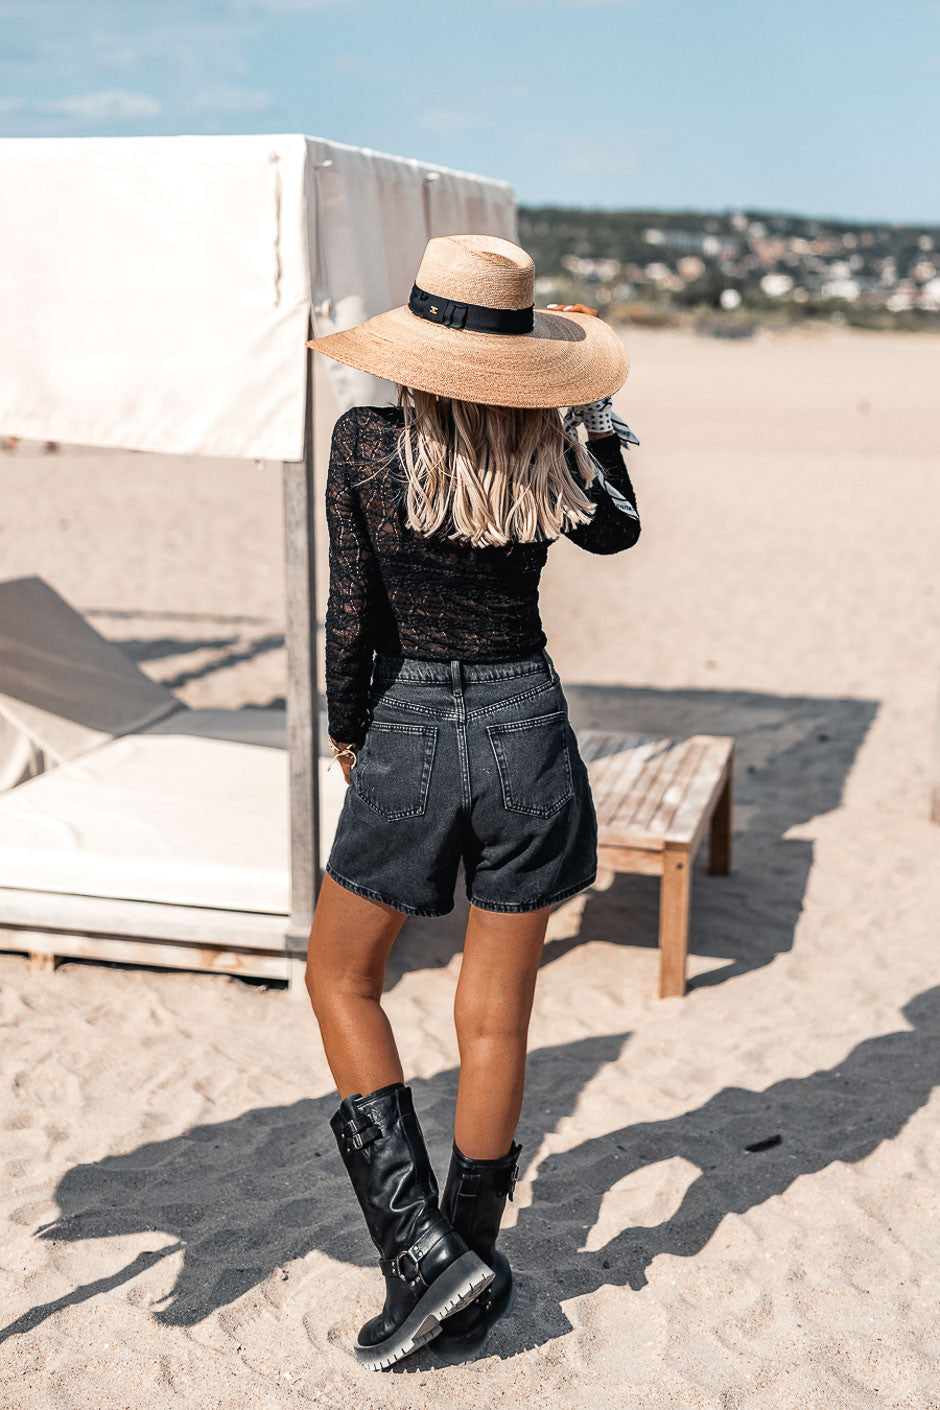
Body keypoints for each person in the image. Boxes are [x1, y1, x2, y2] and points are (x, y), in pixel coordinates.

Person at [303, 234, 641, 1370]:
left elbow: (351, 612)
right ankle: (471, 1259)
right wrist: (583, 404)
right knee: (496, 1017)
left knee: (341, 977)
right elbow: (619, 527)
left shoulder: (365, 444)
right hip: (525, 724)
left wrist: (348, 728)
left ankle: (420, 1255)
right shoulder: (547, 447)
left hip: (406, 726)